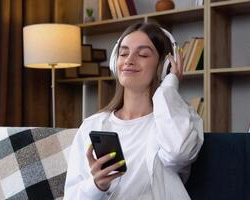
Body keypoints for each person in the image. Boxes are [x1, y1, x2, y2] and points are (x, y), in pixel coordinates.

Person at [64, 21, 204, 200]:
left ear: (164, 67)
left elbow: (179, 153)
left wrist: (169, 85)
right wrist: (96, 185)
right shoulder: (93, 125)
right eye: (123, 53)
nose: (129, 60)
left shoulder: (180, 119)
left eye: (143, 54)